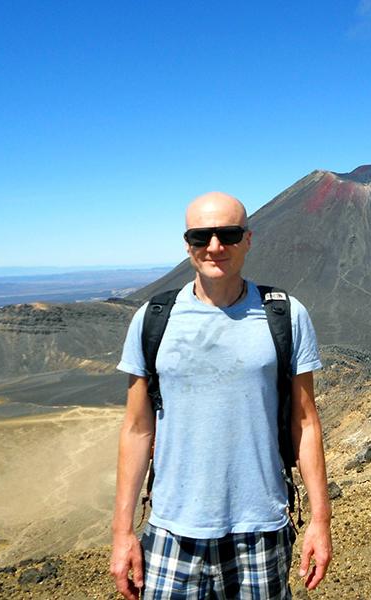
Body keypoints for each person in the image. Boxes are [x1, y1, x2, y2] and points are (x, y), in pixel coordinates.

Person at [109, 192, 332, 599]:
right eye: (201, 236)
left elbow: (305, 422)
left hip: (261, 527)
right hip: (173, 529)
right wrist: (122, 532)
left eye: (228, 234)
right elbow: (137, 430)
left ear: (248, 239)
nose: (215, 247)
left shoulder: (285, 314)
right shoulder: (152, 319)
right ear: (187, 243)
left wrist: (321, 519)